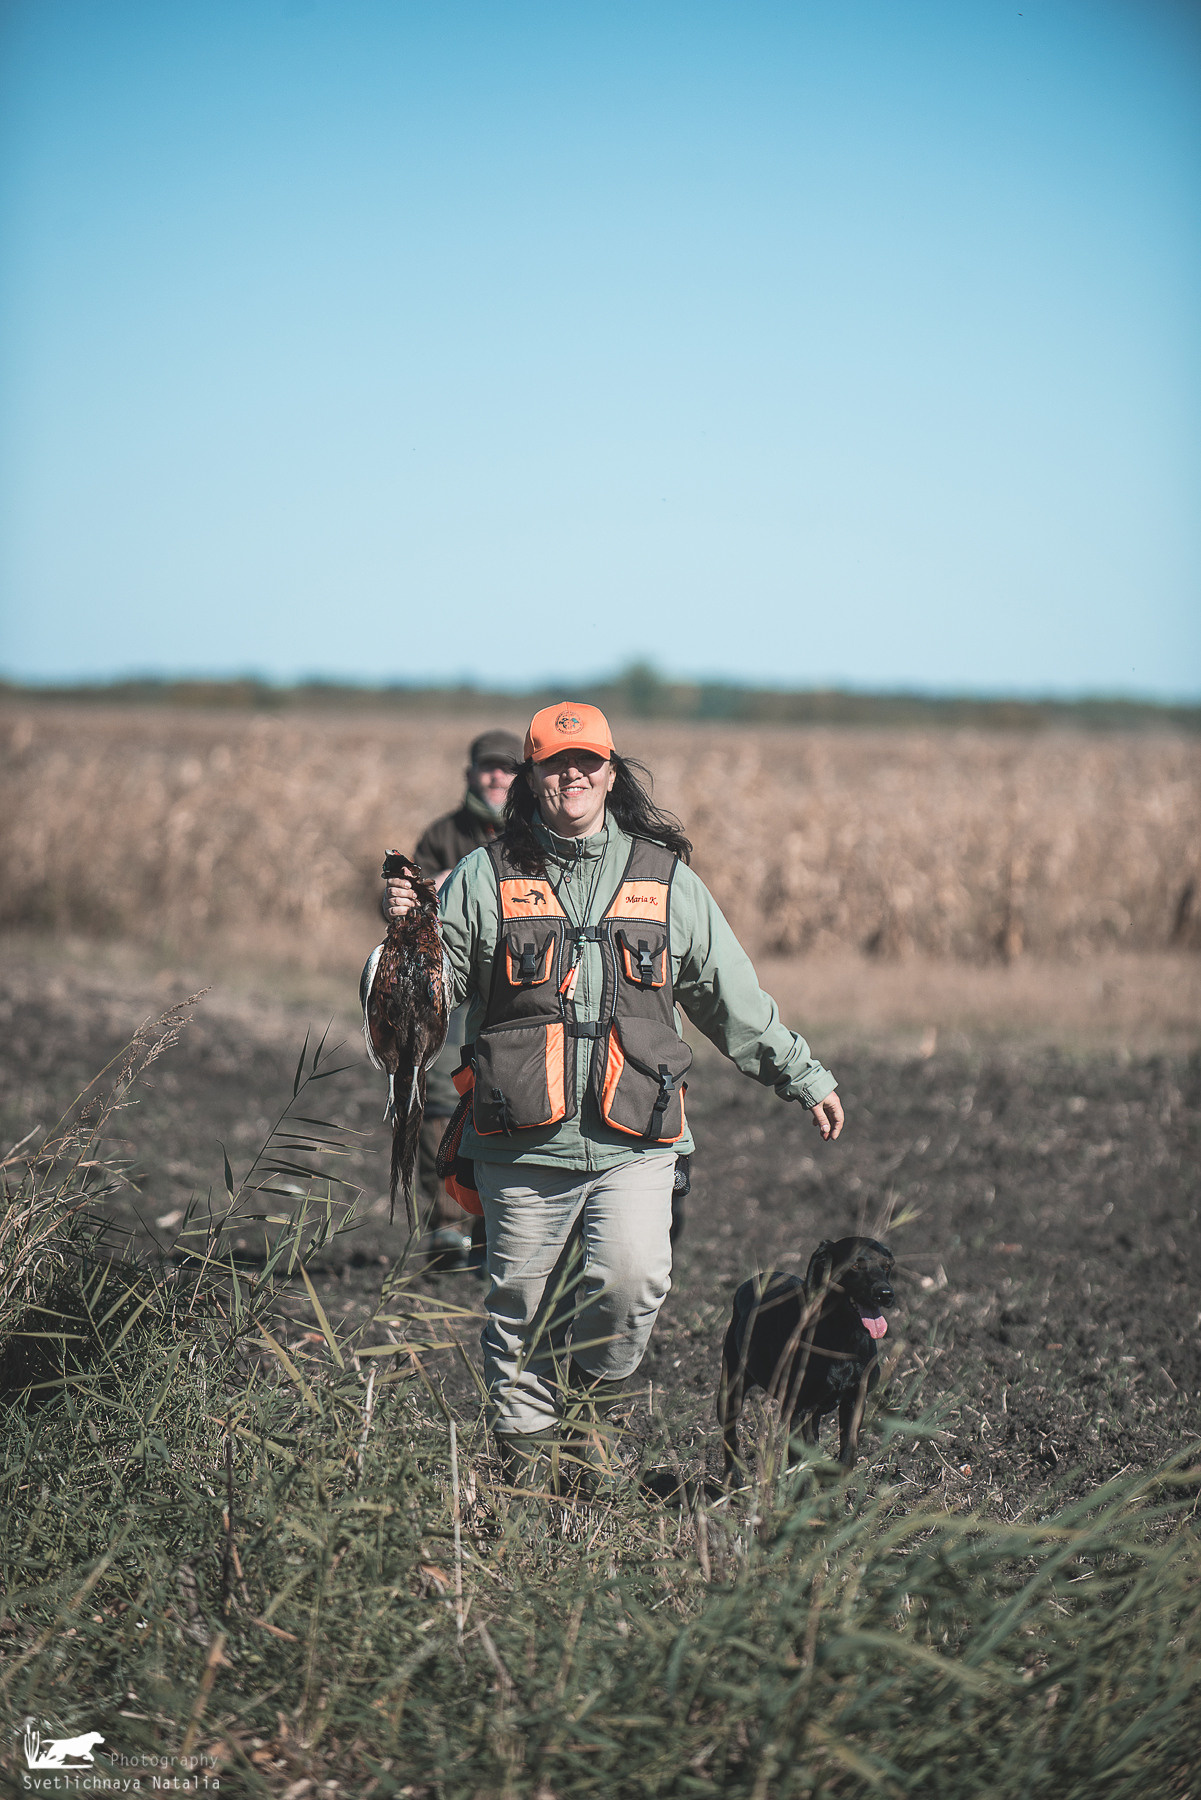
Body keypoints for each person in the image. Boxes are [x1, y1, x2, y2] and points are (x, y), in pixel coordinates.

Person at [383, 701, 844, 1486]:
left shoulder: (665, 880)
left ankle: (584, 1435)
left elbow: (727, 995)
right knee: (516, 1312)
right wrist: (406, 932)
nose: (571, 775)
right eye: (555, 763)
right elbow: (427, 994)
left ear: (609, 770)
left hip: (637, 1134)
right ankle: (532, 1486)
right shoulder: (484, 875)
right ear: (530, 777)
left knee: (633, 1284)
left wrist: (799, 1074)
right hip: (519, 1136)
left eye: (586, 762)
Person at [401, 728, 523, 1267]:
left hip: (520, 986)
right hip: (451, 987)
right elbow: (409, 911)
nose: (498, 776)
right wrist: (442, 886)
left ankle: (508, 1226)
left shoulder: (536, 832)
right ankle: (450, 1225)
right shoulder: (442, 835)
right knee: (442, 1094)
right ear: (470, 774)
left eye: (508, 767)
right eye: (488, 767)